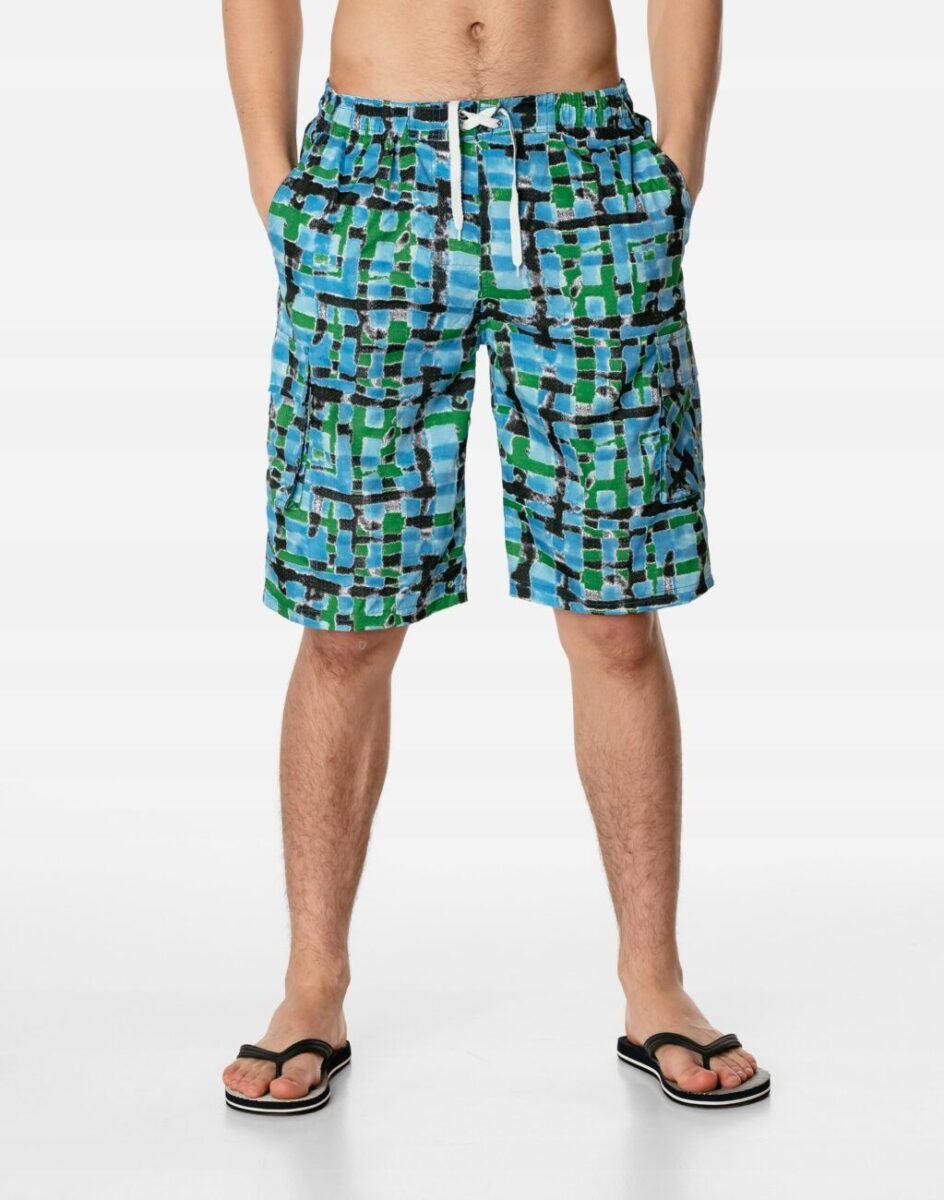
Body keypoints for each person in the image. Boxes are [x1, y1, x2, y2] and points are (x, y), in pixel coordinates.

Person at [221, 0, 769, 1113]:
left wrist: (677, 168)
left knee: (616, 615)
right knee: (346, 621)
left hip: (583, 170)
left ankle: (653, 983)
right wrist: (274, 185)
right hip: (372, 176)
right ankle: (312, 985)